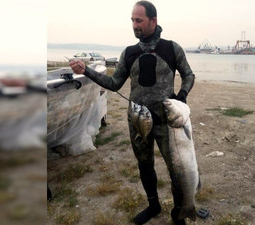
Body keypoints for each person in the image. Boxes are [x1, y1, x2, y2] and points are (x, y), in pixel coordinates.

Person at [69, 1, 195, 224]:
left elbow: (189, 75)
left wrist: (181, 97)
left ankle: (179, 212)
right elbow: (114, 83)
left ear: (153, 21)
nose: (134, 25)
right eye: (132, 21)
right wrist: (85, 71)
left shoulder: (172, 48)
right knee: (145, 165)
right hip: (138, 121)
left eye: (139, 20)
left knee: (177, 168)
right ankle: (153, 205)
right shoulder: (129, 53)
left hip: (168, 121)